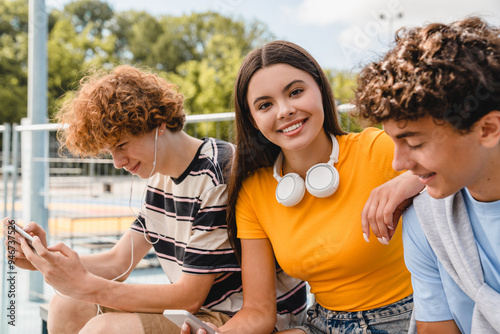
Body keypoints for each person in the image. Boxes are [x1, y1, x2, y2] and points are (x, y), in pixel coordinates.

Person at [2, 65, 305, 333]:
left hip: (242, 317)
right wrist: (43, 261)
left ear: (159, 123)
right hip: (202, 309)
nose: (118, 162)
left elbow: (189, 295)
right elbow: (119, 261)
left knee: (105, 329)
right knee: (65, 304)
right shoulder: (159, 174)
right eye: (110, 152)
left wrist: (87, 285)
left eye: (122, 145)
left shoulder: (217, 174)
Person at [182, 40, 424, 334]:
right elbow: (258, 313)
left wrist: (408, 180)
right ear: (253, 121)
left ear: (321, 90)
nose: (284, 111)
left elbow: (471, 157)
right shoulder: (253, 191)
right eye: (265, 105)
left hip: (407, 318)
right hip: (321, 324)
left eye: (296, 92)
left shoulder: (379, 149)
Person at [354, 17, 500, 334]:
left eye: (416, 143)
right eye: (394, 141)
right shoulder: (425, 220)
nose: (397, 165)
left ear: (487, 129)